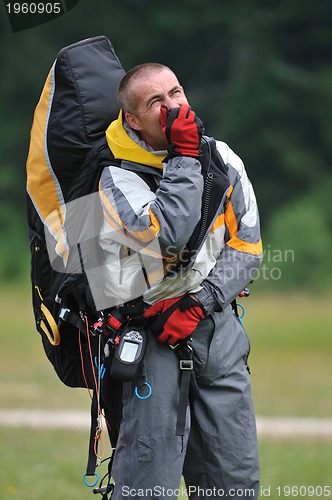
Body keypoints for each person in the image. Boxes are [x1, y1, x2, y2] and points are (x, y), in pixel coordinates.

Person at [97, 63, 263, 499]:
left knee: (234, 481)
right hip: (150, 336)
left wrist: (203, 300)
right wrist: (184, 157)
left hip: (216, 331)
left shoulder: (223, 158)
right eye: (157, 102)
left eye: (177, 93)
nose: (174, 108)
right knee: (148, 485)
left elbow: (248, 246)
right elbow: (166, 238)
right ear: (133, 120)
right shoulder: (115, 177)